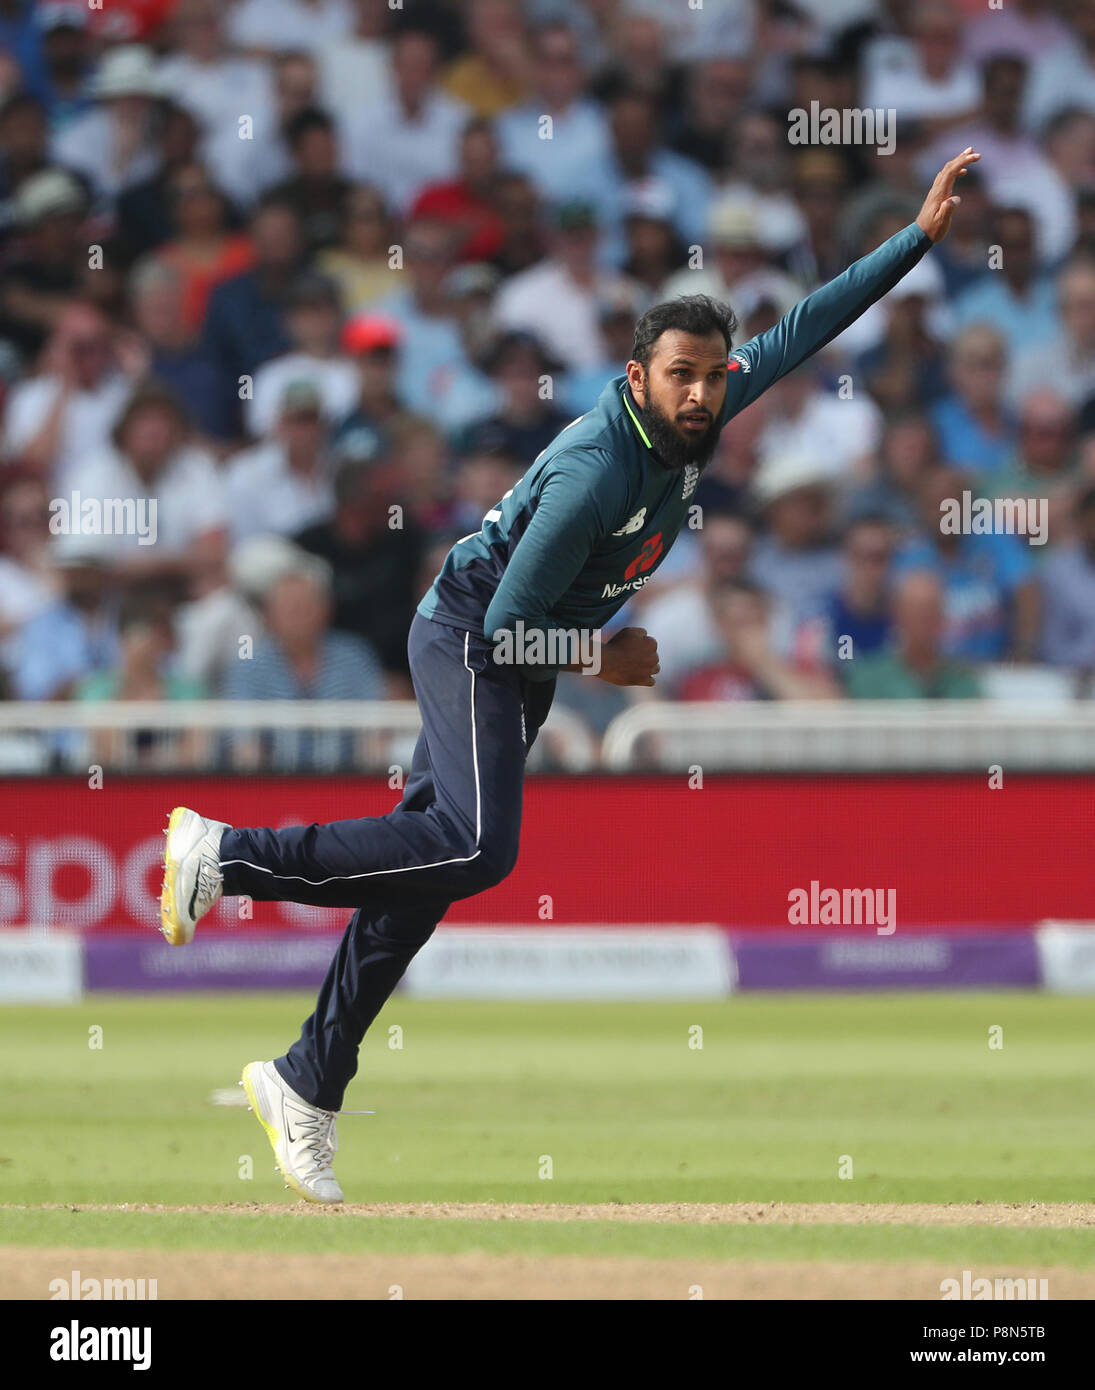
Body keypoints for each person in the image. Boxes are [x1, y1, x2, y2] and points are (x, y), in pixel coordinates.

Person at [158, 149, 980, 1204]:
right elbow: (503, 631)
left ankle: (305, 1080)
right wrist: (605, 653)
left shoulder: (709, 410)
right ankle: (226, 853)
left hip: (522, 653)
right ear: (637, 376)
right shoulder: (599, 469)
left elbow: (811, 322)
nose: (698, 390)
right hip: (472, 636)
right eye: (677, 373)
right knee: (473, 846)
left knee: (429, 872)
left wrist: (915, 238)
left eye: (711, 374)